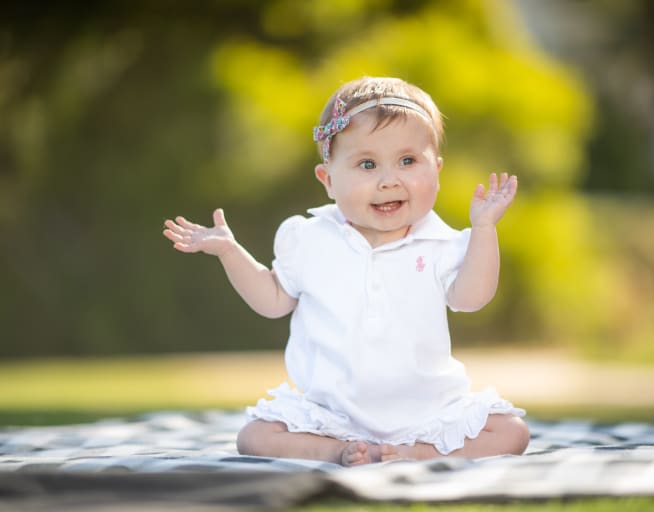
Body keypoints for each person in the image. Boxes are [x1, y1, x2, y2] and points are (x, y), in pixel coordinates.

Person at [162, 76, 529, 466]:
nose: (389, 180)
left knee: (511, 431)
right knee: (255, 436)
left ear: (436, 169)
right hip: (332, 416)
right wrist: (230, 252)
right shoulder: (307, 237)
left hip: (427, 413)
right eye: (367, 164)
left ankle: (412, 452)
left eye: (408, 161)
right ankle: (339, 451)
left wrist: (484, 230)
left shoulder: (443, 242)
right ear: (328, 179)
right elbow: (272, 301)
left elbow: (473, 299)